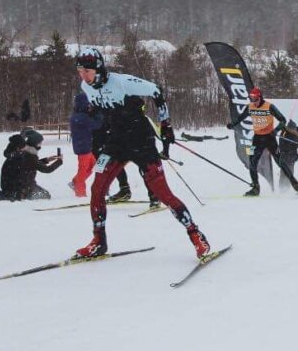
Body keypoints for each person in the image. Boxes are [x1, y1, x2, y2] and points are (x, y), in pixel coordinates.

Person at [74, 47, 210, 259]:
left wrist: (166, 126)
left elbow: (156, 91)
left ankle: (195, 233)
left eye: (87, 72)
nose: (84, 76)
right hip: (116, 142)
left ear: (99, 70)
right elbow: (104, 109)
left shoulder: (121, 82)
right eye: (80, 72)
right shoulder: (86, 86)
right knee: (97, 187)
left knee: (163, 193)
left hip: (141, 141)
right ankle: (99, 241)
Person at [227, 87, 298, 196]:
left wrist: (276, 130)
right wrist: (232, 124)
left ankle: (294, 183)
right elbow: (240, 118)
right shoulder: (250, 107)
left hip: (269, 139)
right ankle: (255, 188)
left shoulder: (269, 106)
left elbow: (283, 120)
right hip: (256, 139)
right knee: (251, 160)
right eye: (251, 100)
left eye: (255, 100)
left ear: (260, 98)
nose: (254, 103)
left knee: (279, 161)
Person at [0, 130, 63, 200]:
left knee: (45, 194)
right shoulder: (28, 155)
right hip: (21, 189)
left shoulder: (21, 153)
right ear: (34, 143)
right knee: (46, 196)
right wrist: (59, 161)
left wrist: (46, 160)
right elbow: (47, 169)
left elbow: (30, 165)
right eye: (40, 143)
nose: (41, 145)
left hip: (14, 187)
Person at [68, 92, 102, 198]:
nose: (89, 106)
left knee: (93, 166)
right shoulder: (81, 117)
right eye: (87, 104)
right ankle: (80, 193)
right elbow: (96, 125)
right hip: (83, 147)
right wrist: (98, 114)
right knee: (83, 170)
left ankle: (75, 182)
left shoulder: (78, 116)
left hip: (85, 146)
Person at [277, 120, 298, 191]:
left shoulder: (296, 134)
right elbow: (282, 143)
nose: (292, 130)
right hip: (284, 157)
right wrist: (294, 136)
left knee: (290, 173)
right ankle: (282, 189)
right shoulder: (284, 133)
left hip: (291, 158)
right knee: (284, 173)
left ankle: (286, 189)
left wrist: (297, 135)